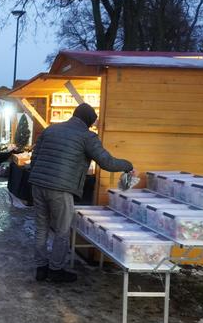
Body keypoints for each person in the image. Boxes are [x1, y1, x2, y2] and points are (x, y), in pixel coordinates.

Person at [30, 103, 133, 283]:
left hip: (38, 184)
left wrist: (37, 175)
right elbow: (107, 162)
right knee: (62, 230)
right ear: (88, 122)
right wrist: (127, 165)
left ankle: (41, 268)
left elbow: (35, 156)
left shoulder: (51, 130)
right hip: (61, 189)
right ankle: (55, 270)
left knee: (42, 227)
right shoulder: (87, 136)